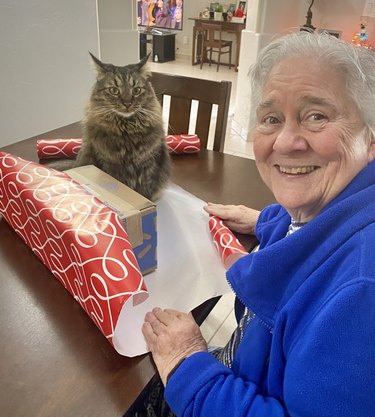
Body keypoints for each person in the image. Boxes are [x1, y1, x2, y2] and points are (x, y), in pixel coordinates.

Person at [140, 30, 375, 416]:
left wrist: (186, 363)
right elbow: (322, 232)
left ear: (370, 139)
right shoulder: (335, 204)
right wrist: (270, 221)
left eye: (316, 116)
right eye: (271, 118)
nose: (284, 141)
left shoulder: (361, 296)